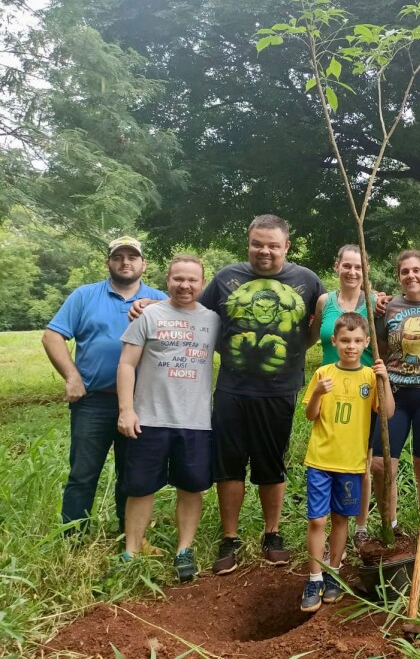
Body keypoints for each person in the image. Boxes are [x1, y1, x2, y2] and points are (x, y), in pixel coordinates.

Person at [133, 214, 325, 573]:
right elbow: (188, 305)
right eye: (257, 243)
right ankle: (230, 538)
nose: (264, 251)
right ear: (248, 242)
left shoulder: (307, 280)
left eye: (272, 245)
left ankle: (272, 533)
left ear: (287, 246)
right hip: (232, 388)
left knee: (272, 465)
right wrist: (148, 302)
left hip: (280, 390)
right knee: (230, 466)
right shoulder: (225, 279)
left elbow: (330, 314)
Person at [42, 236, 167, 535]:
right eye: (119, 257)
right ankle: (74, 537)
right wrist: (72, 377)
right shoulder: (85, 296)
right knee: (83, 473)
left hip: (141, 403)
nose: (126, 262)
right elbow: (52, 336)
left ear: (143, 264)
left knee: (133, 472)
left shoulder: (160, 299)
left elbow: (188, 320)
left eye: (132, 257)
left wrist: (152, 304)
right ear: (108, 263)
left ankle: (129, 535)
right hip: (93, 402)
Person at [116, 255, 220, 581]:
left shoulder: (214, 320)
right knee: (140, 488)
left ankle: (184, 550)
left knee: (191, 488)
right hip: (149, 418)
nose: (185, 286)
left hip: (195, 421)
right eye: (178, 279)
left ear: (202, 283)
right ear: (167, 281)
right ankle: (131, 551)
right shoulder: (149, 315)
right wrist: (126, 409)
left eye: (192, 280)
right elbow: (126, 364)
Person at [299, 313, 394, 611]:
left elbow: (388, 413)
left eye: (356, 341)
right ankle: (315, 577)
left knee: (341, 519)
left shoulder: (369, 376)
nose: (350, 346)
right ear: (334, 341)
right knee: (317, 519)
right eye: (345, 341)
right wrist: (316, 392)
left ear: (366, 342)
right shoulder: (324, 373)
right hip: (321, 459)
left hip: (352, 464)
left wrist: (385, 380)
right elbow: (310, 415)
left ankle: (334, 574)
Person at [371, 250, 420, 539]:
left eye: (417, 270)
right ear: (399, 277)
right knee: (381, 464)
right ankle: (389, 527)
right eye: (405, 271)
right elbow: (380, 346)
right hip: (394, 393)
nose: (411, 276)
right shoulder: (387, 307)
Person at [308, 244, 374, 547]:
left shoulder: (374, 301)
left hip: (362, 385)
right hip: (328, 386)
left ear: (365, 270)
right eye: (347, 265)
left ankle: (360, 525)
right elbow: (310, 336)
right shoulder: (324, 301)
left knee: (362, 459)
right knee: (329, 450)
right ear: (337, 267)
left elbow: (381, 340)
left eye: (358, 267)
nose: (352, 272)